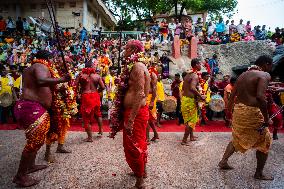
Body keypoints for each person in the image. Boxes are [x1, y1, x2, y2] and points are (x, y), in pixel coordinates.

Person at [13, 50, 70, 187]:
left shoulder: (30, 68)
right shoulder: (40, 66)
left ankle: (31, 165)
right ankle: (20, 176)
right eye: (51, 58)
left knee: (35, 140)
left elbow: (41, 84)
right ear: (47, 58)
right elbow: (40, 81)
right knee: (34, 142)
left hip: (30, 107)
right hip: (33, 108)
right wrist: (62, 79)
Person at [218, 55, 274, 180]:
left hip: (239, 111)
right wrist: (266, 118)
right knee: (265, 140)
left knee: (237, 138)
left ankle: (223, 162)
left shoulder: (242, 75)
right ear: (266, 64)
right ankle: (258, 173)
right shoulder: (264, 75)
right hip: (252, 112)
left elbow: (232, 95)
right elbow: (260, 97)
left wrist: (229, 112)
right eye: (271, 66)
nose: (271, 69)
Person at [110, 40, 150, 189]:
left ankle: (140, 182)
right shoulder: (137, 66)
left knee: (134, 146)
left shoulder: (138, 66)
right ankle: (141, 171)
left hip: (136, 113)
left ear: (133, 49)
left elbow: (140, 94)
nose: (124, 51)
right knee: (138, 143)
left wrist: (131, 119)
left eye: (126, 48)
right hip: (135, 111)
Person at [77, 60, 105, 142]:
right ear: (92, 67)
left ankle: (90, 138)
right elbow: (103, 87)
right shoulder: (97, 76)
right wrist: (96, 91)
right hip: (95, 95)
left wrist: (78, 93)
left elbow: (74, 86)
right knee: (98, 114)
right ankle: (101, 130)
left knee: (86, 117)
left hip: (86, 96)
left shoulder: (81, 75)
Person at [181, 59, 205, 145]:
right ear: (196, 65)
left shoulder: (188, 75)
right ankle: (184, 140)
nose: (201, 65)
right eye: (200, 64)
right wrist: (200, 95)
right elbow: (192, 87)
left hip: (186, 99)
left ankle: (191, 136)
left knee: (191, 120)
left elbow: (184, 88)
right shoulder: (194, 76)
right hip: (189, 101)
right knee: (190, 121)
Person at [146, 65, 158, 143]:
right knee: (150, 119)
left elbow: (154, 88)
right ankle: (156, 134)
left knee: (146, 118)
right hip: (145, 97)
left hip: (150, 98)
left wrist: (152, 101)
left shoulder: (152, 74)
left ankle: (147, 138)